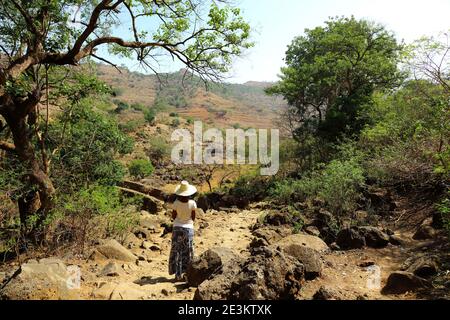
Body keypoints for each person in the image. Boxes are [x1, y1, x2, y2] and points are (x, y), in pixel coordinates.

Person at [168, 181, 198, 282]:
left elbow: (173, 216)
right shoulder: (192, 203)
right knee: (188, 251)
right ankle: (187, 274)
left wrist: (180, 219)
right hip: (188, 228)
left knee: (177, 251)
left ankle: (177, 275)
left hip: (177, 228)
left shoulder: (176, 203)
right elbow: (193, 218)